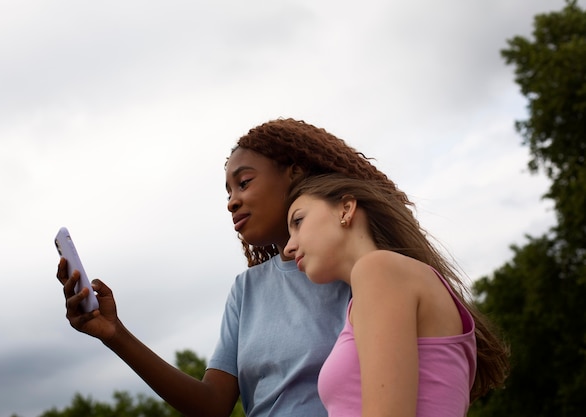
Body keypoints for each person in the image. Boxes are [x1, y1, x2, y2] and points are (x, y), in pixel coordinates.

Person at [58, 118, 411, 417]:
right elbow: (212, 405)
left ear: (295, 173)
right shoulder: (247, 290)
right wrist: (115, 334)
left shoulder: (365, 272)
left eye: (244, 183)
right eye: (227, 192)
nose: (232, 202)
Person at [283, 174, 510, 417]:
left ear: (346, 209)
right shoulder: (389, 279)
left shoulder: (379, 270)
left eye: (298, 221)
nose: (288, 247)